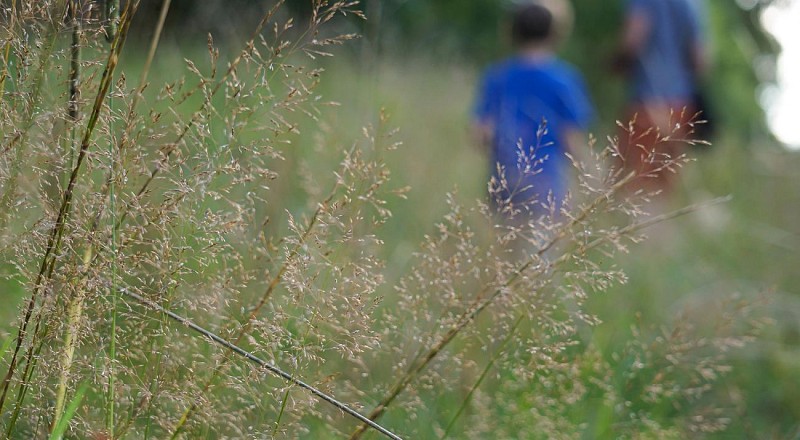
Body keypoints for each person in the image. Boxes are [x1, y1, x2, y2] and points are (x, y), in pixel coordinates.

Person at [472, 1, 594, 220]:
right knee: (542, 239)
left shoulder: (497, 76)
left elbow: (481, 134)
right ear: (553, 34)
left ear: (514, 33)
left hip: (503, 178)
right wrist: (587, 178)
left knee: (503, 239)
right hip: (547, 181)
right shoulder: (564, 79)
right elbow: (571, 140)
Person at [615, 0, 708, 195]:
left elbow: (634, 37)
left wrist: (618, 63)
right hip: (681, 105)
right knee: (665, 184)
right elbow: (700, 60)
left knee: (632, 180)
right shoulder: (693, 4)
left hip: (646, 101)